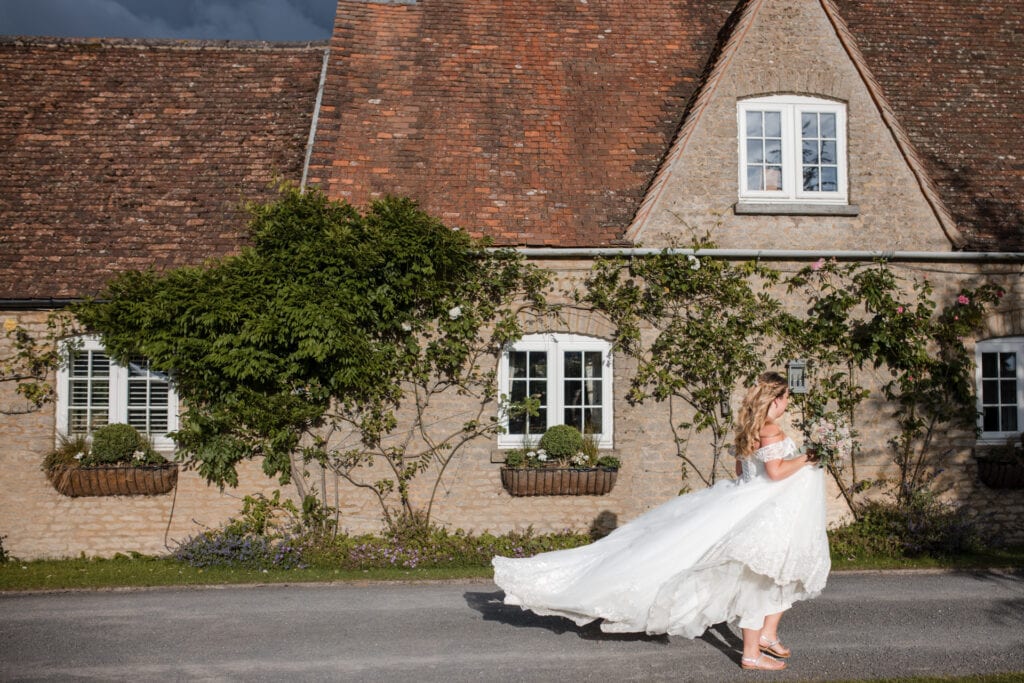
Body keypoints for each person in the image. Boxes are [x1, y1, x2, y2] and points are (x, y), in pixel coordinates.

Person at [492, 372, 830, 672]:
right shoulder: (770, 431)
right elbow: (775, 472)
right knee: (763, 575)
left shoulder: (749, 430)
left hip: (742, 502)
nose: (788, 404)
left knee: (777, 572)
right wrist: (807, 457)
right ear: (776, 399)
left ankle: (768, 634)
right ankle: (752, 653)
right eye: (786, 398)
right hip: (761, 512)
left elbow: (743, 472)